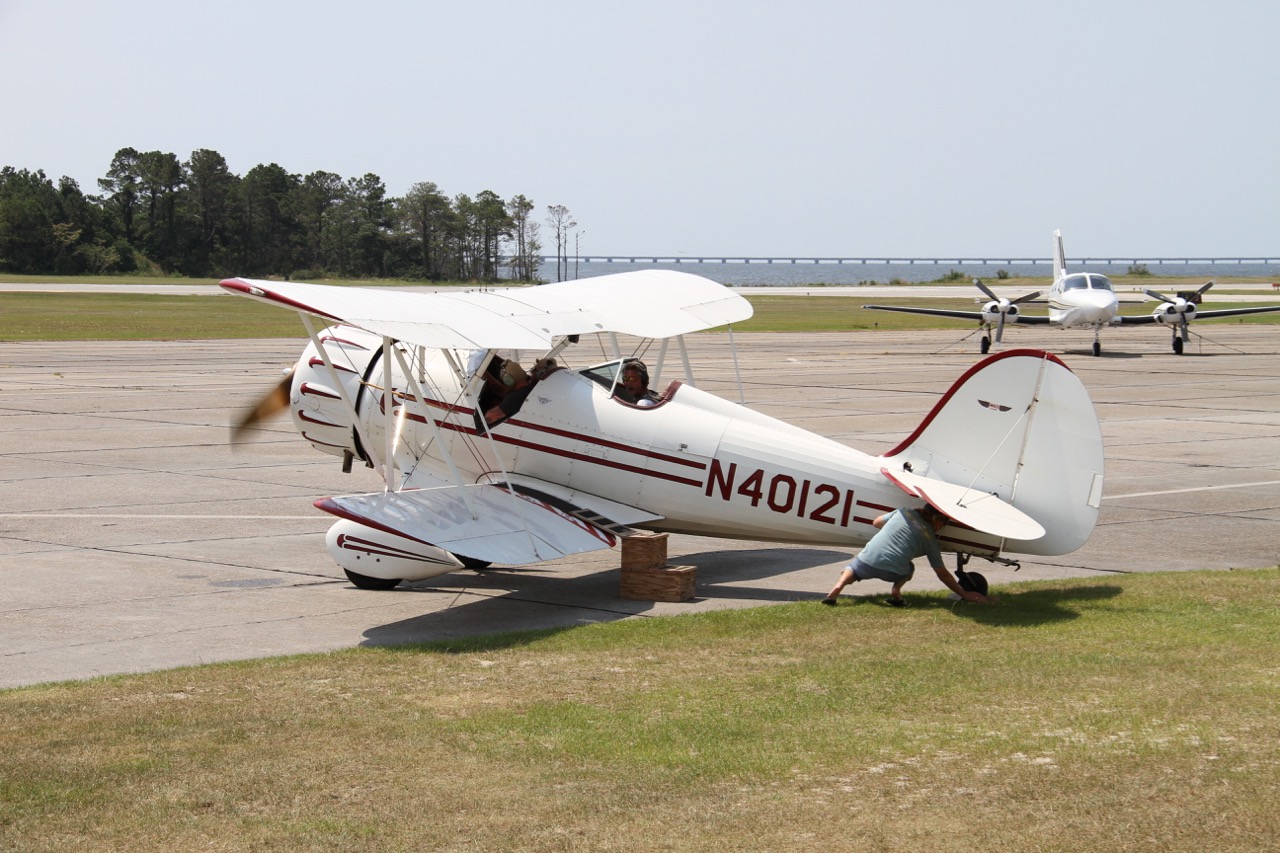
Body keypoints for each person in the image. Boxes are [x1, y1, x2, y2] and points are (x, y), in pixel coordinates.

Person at [821, 504, 990, 607]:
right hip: (893, 572)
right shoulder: (930, 540)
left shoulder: (904, 511)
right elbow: (942, 573)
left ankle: (838, 587)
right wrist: (964, 593)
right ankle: (896, 590)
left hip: (866, 563)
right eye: (944, 524)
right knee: (910, 568)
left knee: (852, 567)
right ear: (938, 520)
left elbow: (877, 522)